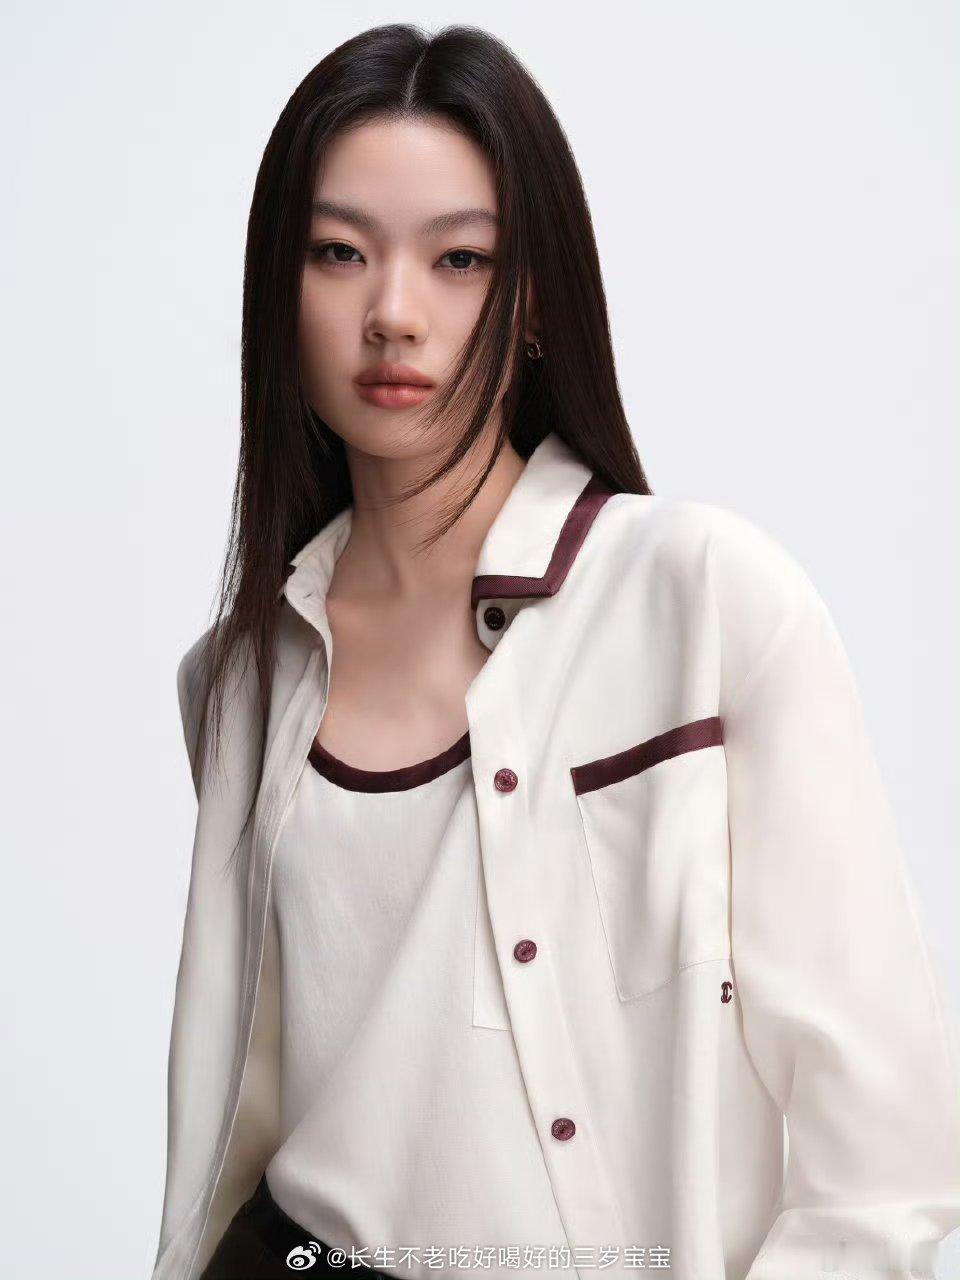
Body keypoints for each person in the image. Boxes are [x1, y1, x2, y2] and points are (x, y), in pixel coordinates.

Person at [150, 22, 960, 1280]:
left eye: (460, 258)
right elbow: (245, 1109)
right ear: (280, 293)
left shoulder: (708, 601)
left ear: (533, 297)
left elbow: (891, 1162)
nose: (394, 313)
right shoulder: (239, 679)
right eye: (338, 252)